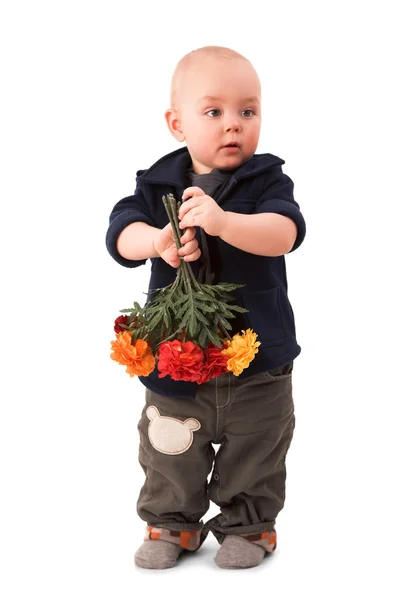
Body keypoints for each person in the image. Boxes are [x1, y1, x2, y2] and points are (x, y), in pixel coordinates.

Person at [106, 45, 306, 570]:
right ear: (177, 123)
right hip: (177, 358)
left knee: (256, 448)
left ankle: (250, 526)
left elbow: (284, 233)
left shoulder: (267, 181)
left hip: (258, 358)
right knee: (170, 446)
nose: (233, 125)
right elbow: (120, 234)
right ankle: (173, 524)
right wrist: (156, 241)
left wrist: (224, 224)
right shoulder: (157, 184)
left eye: (248, 110)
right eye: (214, 112)